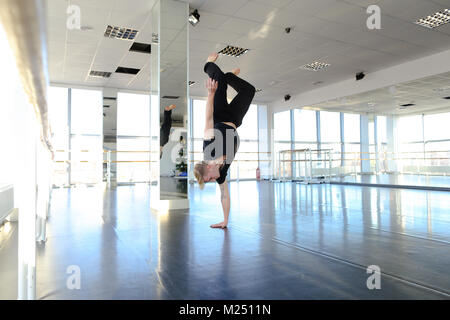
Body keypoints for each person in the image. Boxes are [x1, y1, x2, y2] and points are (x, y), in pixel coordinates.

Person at [194, 52, 256, 229]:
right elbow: (224, 196)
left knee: (217, 79)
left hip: (219, 115)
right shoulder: (222, 171)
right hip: (235, 120)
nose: (213, 180)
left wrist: (210, 95)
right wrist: (225, 221)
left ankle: (207, 64)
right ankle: (230, 77)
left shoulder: (208, 150)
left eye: (208, 179)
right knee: (249, 90)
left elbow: (207, 121)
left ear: (207, 166)